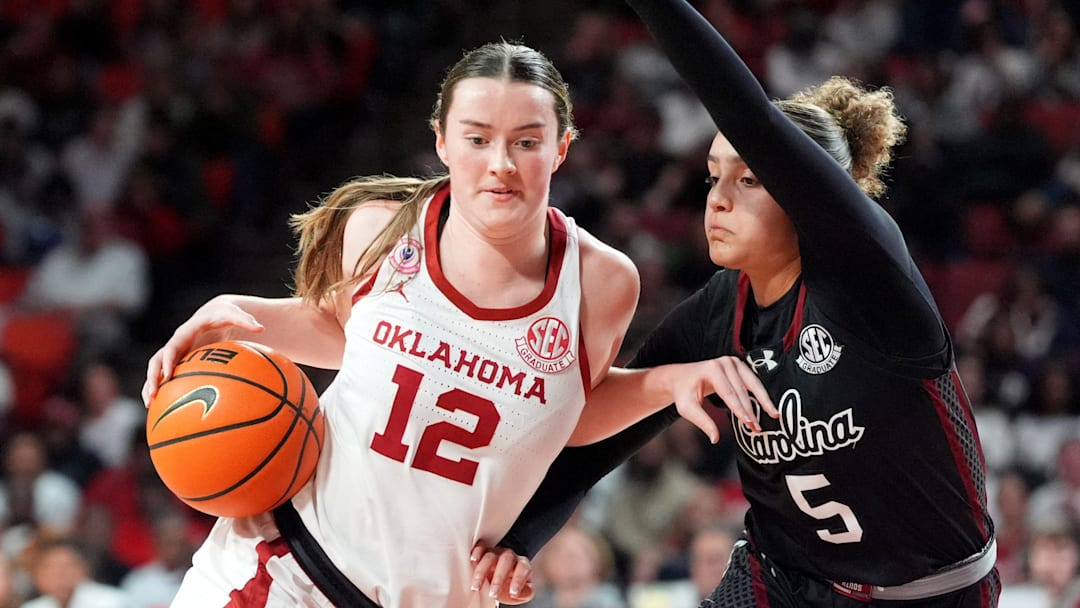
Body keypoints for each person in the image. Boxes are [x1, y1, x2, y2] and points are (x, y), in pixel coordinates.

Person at [141, 40, 770, 608]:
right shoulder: (379, 229)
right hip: (284, 573)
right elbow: (341, 332)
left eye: (526, 141)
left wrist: (666, 385)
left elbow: (569, 416)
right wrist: (240, 314)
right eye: (477, 139)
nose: (501, 163)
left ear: (562, 146)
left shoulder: (604, 282)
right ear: (442, 140)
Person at [497, 1, 999, 606]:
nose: (717, 200)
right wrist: (520, 540)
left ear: (807, 197)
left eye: (750, 179)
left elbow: (754, 119)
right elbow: (604, 439)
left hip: (931, 593)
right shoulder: (718, 311)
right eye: (713, 177)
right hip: (781, 577)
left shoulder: (871, 281)